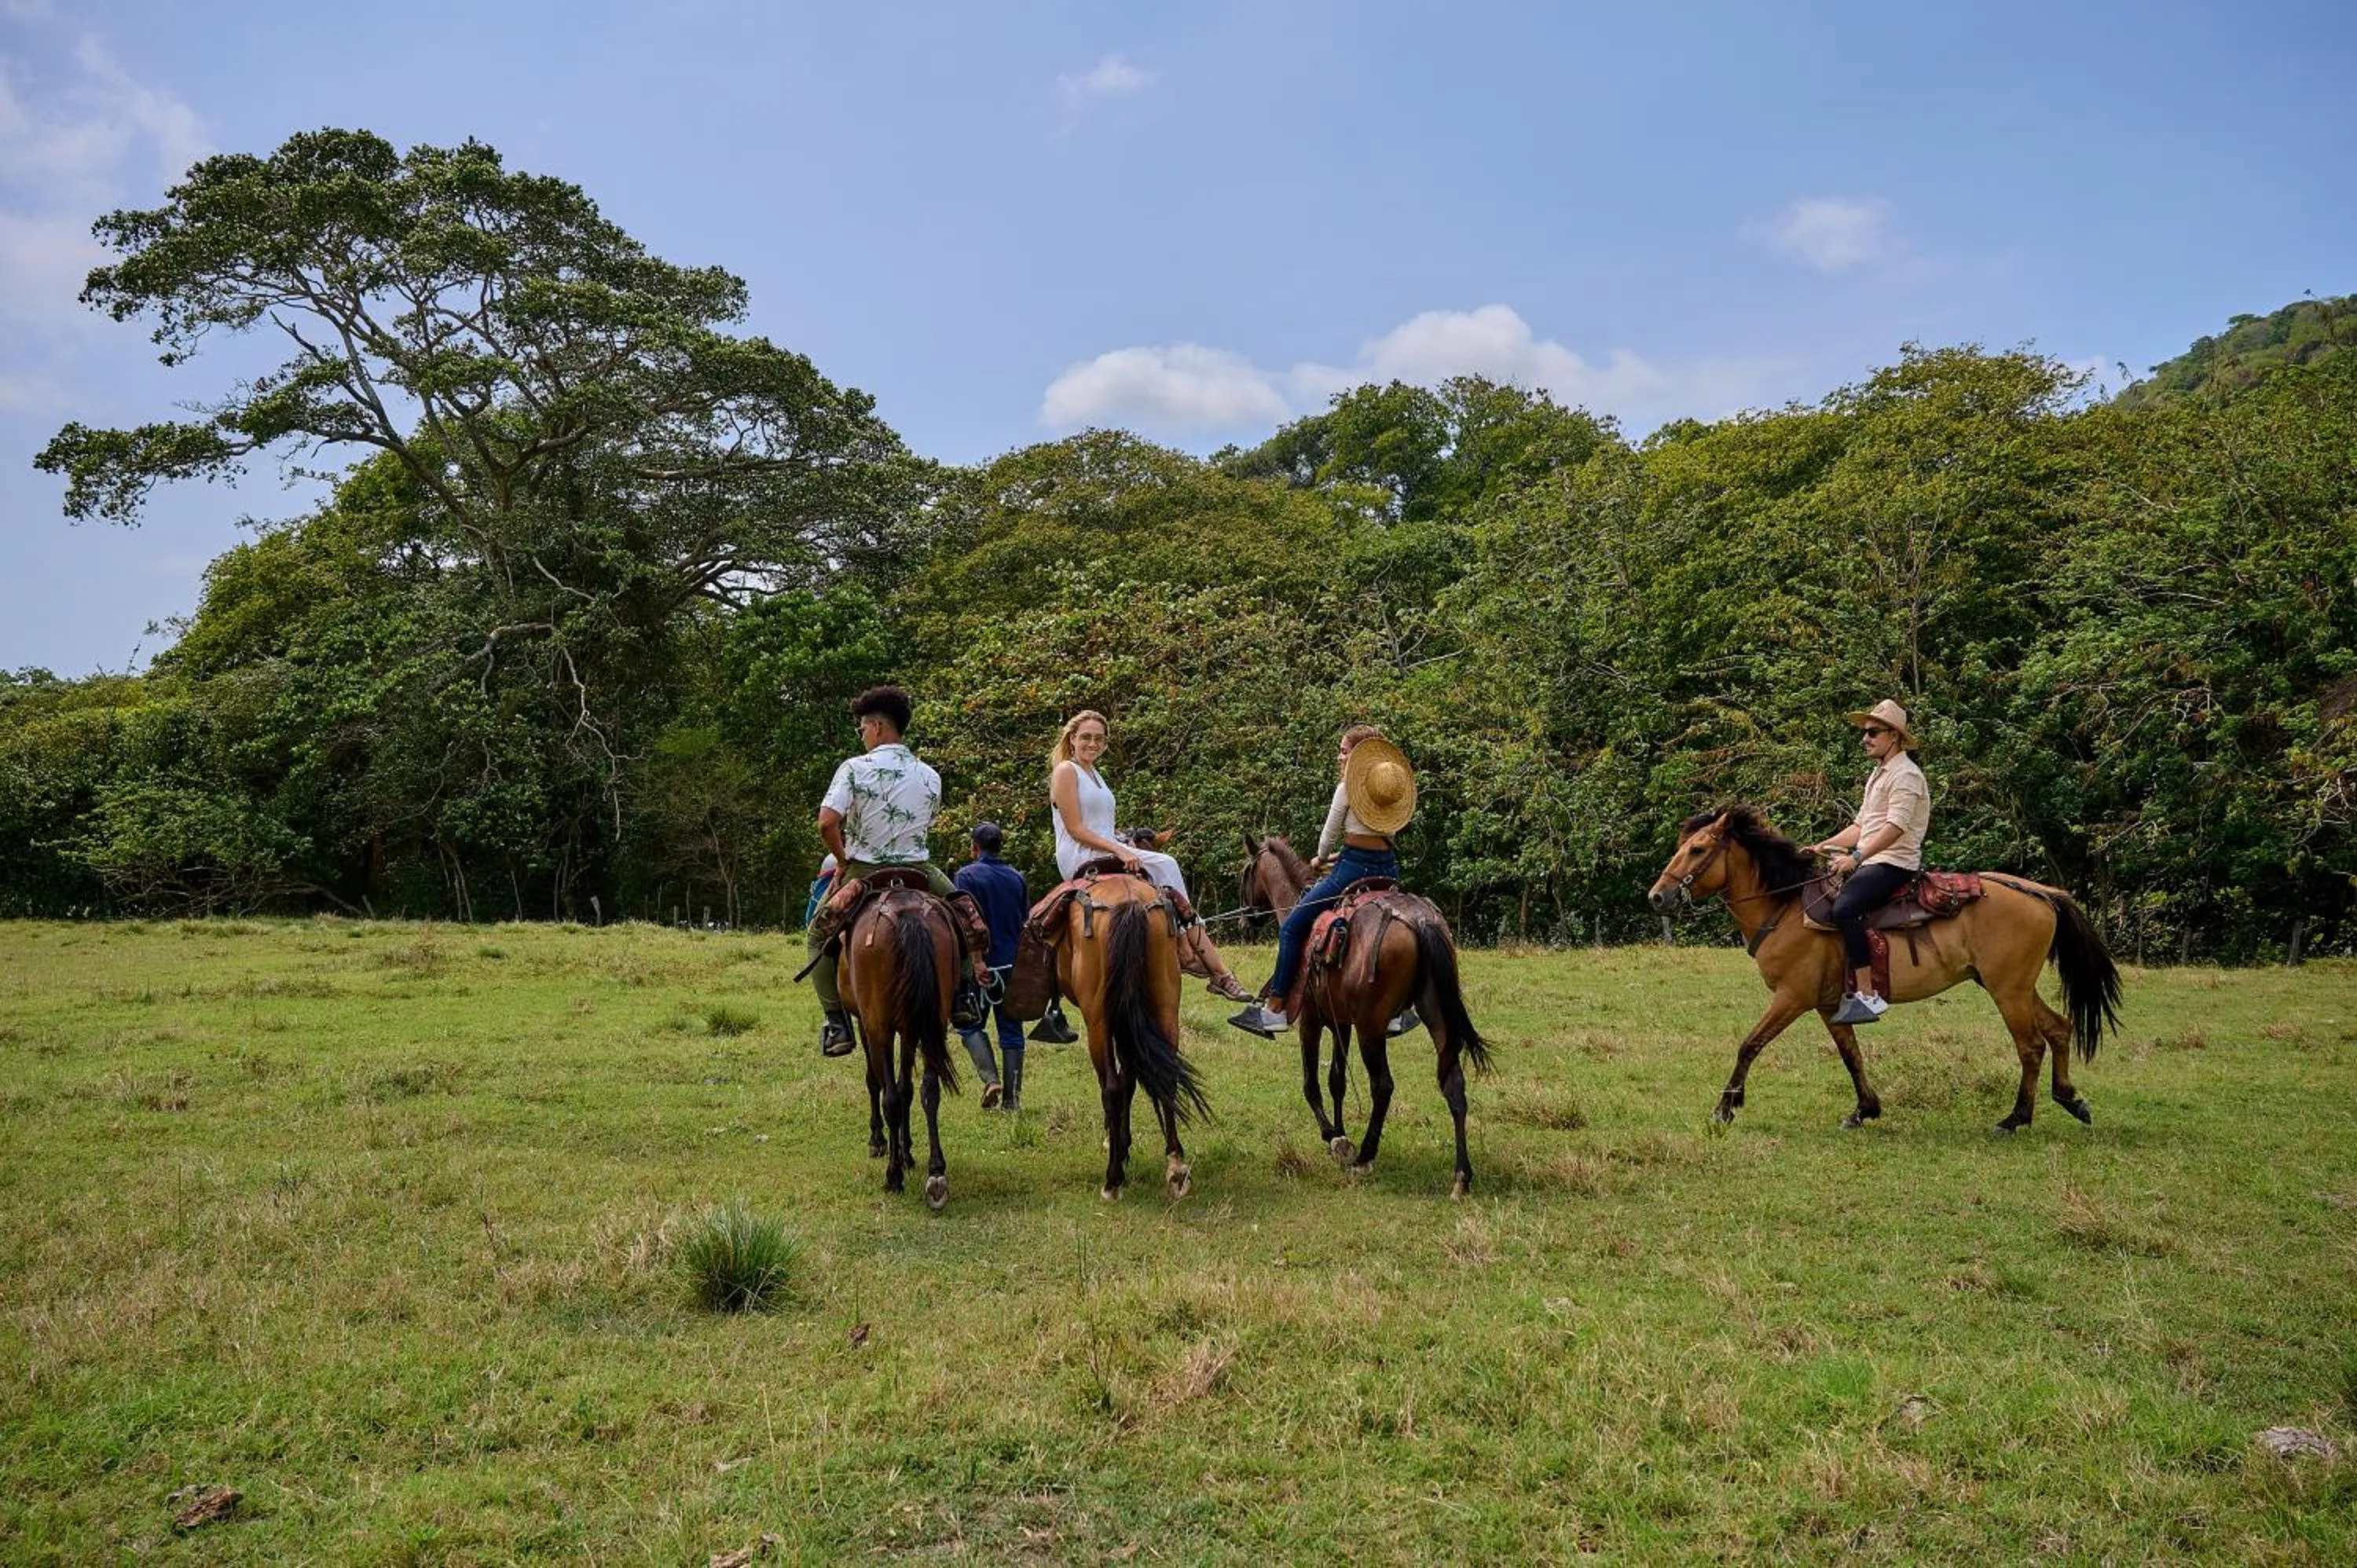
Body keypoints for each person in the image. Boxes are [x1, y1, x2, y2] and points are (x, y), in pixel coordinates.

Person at [1048, 709, 1253, 1002]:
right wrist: (1119, 849)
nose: (1092, 744)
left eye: (1099, 739)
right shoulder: (1066, 771)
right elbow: (1076, 829)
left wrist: (1121, 840)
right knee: (1166, 864)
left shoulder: (1095, 774)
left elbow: (1099, 825)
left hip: (1105, 845)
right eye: (1086, 738)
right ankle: (1192, 950)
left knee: (1162, 867)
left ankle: (1189, 946)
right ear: (1072, 739)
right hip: (1080, 853)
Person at [1228, 725, 1414, 1038]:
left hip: (1351, 871)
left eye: (1344, 750)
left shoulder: (1347, 789)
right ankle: (1397, 1012)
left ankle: (1275, 1009)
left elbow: (1327, 839)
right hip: (1387, 872)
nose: (1339, 756)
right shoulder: (1388, 788)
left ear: (1357, 755)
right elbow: (1379, 837)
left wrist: (1319, 858)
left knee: (1291, 928)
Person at [808, 685, 961, 1057]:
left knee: (817, 935)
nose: (862, 736)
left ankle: (837, 1023)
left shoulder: (854, 769)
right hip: (918, 869)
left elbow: (827, 823)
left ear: (876, 727)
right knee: (965, 920)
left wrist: (842, 860)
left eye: (862, 729)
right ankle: (964, 1000)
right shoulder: (930, 775)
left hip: (866, 868)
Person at [1807, 698, 1931, 1025]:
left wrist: (1857, 857)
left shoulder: (1906, 775)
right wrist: (1826, 845)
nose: (1865, 739)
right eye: (1865, 732)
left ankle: (1868, 995)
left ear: (1895, 736)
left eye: (1873, 732)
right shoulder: (1879, 774)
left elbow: (1896, 827)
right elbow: (1862, 826)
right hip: (1873, 859)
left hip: (1894, 862)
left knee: (1845, 908)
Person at [952, 821, 1029, 1110]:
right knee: (1012, 1031)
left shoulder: (966, 876)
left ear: (975, 847)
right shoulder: (1017, 877)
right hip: (1013, 965)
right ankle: (1013, 1100)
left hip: (982, 967)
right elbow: (1025, 922)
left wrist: (977, 962)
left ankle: (991, 1080)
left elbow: (967, 923)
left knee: (969, 1025)